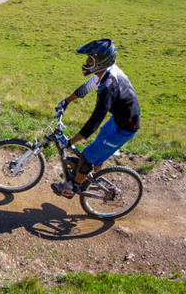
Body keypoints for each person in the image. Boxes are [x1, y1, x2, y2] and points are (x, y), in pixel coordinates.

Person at [51, 39, 141, 198]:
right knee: (97, 152)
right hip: (119, 119)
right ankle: (96, 179)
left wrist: (70, 142)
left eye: (90, 60)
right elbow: (86, 88)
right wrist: (66, 101)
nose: (86, 62)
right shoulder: (105, 72)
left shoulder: (108, 86)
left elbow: (95, 120)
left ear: (100, 62)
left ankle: (72, 187)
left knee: (87, 155)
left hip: (126, 128)